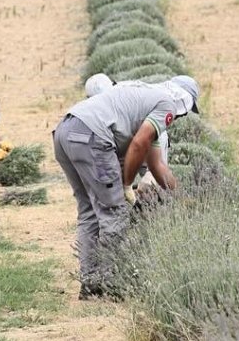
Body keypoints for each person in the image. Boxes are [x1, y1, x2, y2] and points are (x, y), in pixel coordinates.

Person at [54, 75, 199, 298]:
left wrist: (181, 198)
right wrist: (125, 183)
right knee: (115, 213)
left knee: (89, 212)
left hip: (66, 131)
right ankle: (111, 284)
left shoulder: (144, 99)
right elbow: (139, 144)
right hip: (92, 135)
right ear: (184, 104)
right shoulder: (166, 105)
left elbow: (157, 164)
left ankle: (91, 285)